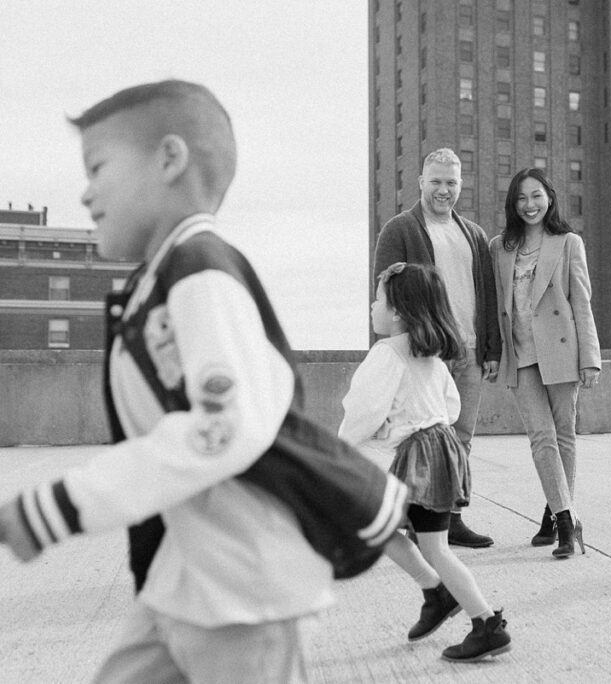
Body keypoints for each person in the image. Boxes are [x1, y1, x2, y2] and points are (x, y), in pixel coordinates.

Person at [0, 80, 408, 683]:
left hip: (243, 593)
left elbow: (226, 425)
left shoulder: (199, 271)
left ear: (169, 159)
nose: (85, 193)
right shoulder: (161, 281)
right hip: (185, 581)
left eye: (97, 167)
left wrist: (61, 503)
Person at [339, 262, 511, 662]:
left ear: (397, 310)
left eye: (378, 299)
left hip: (420, 459)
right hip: (443, 452)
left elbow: (362, 411)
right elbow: (450, 407)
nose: (371, 305)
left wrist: (341, 447)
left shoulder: (386, 354)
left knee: (405, 536)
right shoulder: (430, 356)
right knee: (406, 534)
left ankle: (482, 621)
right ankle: (440, 595)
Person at [373, 148, 500, 548]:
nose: (443, 190)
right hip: (426, 351)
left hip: (470, 352)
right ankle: (412, 516)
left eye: (451, 183)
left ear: (460, 185)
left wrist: (491, 349)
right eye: (436, 182)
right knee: (417, 438)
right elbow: (387, 292)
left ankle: (451, 519)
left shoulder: (474, 235)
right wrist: (394, 351)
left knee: (460, 438)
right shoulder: (400, 229)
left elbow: (489, 297)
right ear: (421, 183)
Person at [489, 168, 600, 559]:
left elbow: (581, 302)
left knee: (564, 437)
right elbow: (493, 306)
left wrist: (590, 358)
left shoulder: (568, 243)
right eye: (521, 198)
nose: (530, 205)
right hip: (519, 355)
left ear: (549, 198)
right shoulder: (499, 247)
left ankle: (557, 517)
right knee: (542, 438)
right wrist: (491, 352)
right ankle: (568, 521)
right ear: (512, 204)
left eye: (536, 196)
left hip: (561, 349)